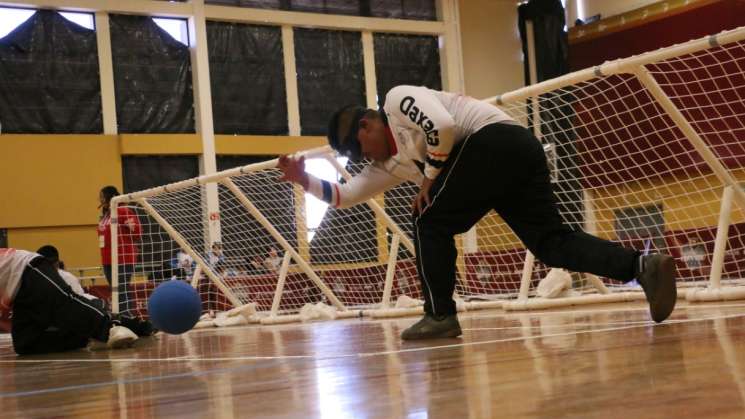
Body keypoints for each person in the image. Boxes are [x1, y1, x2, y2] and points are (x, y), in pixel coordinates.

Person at [278, 85, 678, 340]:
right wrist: (302, 180)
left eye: (360, 148)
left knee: (427, 218)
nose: (364, 158)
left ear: (367, 124)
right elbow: (346, 195)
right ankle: (642, 267)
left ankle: (439, 315)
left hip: (498, 142)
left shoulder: (398, 101)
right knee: (551, 244)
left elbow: (443, 126)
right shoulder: (393, 162)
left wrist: (430, 178)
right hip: (513, 155)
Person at [0, 247, 154, 355]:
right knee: (25, 344)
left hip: (27, 269)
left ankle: (121, 326)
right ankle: (83, 338)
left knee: (68, 305)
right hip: (17, 292)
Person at [97, 185, 141, 315]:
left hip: (123, 258)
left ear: (109, 197)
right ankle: (122, 317)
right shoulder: (106, 214)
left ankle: (128, 318)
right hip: (107, 259)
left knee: (122, 290)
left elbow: (137, 232)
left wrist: (127, 233)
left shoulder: (122, 211)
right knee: (116, 290)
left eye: (101, 196)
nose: (99, 199)